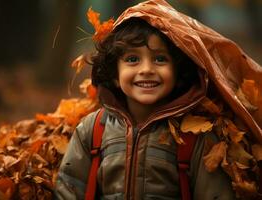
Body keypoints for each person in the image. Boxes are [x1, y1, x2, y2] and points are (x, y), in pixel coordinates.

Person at [54, 0, 262, 199]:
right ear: (115, 76)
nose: (146, 70)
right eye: (132, 59)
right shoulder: (93, 131)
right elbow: (69, 189)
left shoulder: (195, 137)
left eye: (160, 59)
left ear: (177, 71)